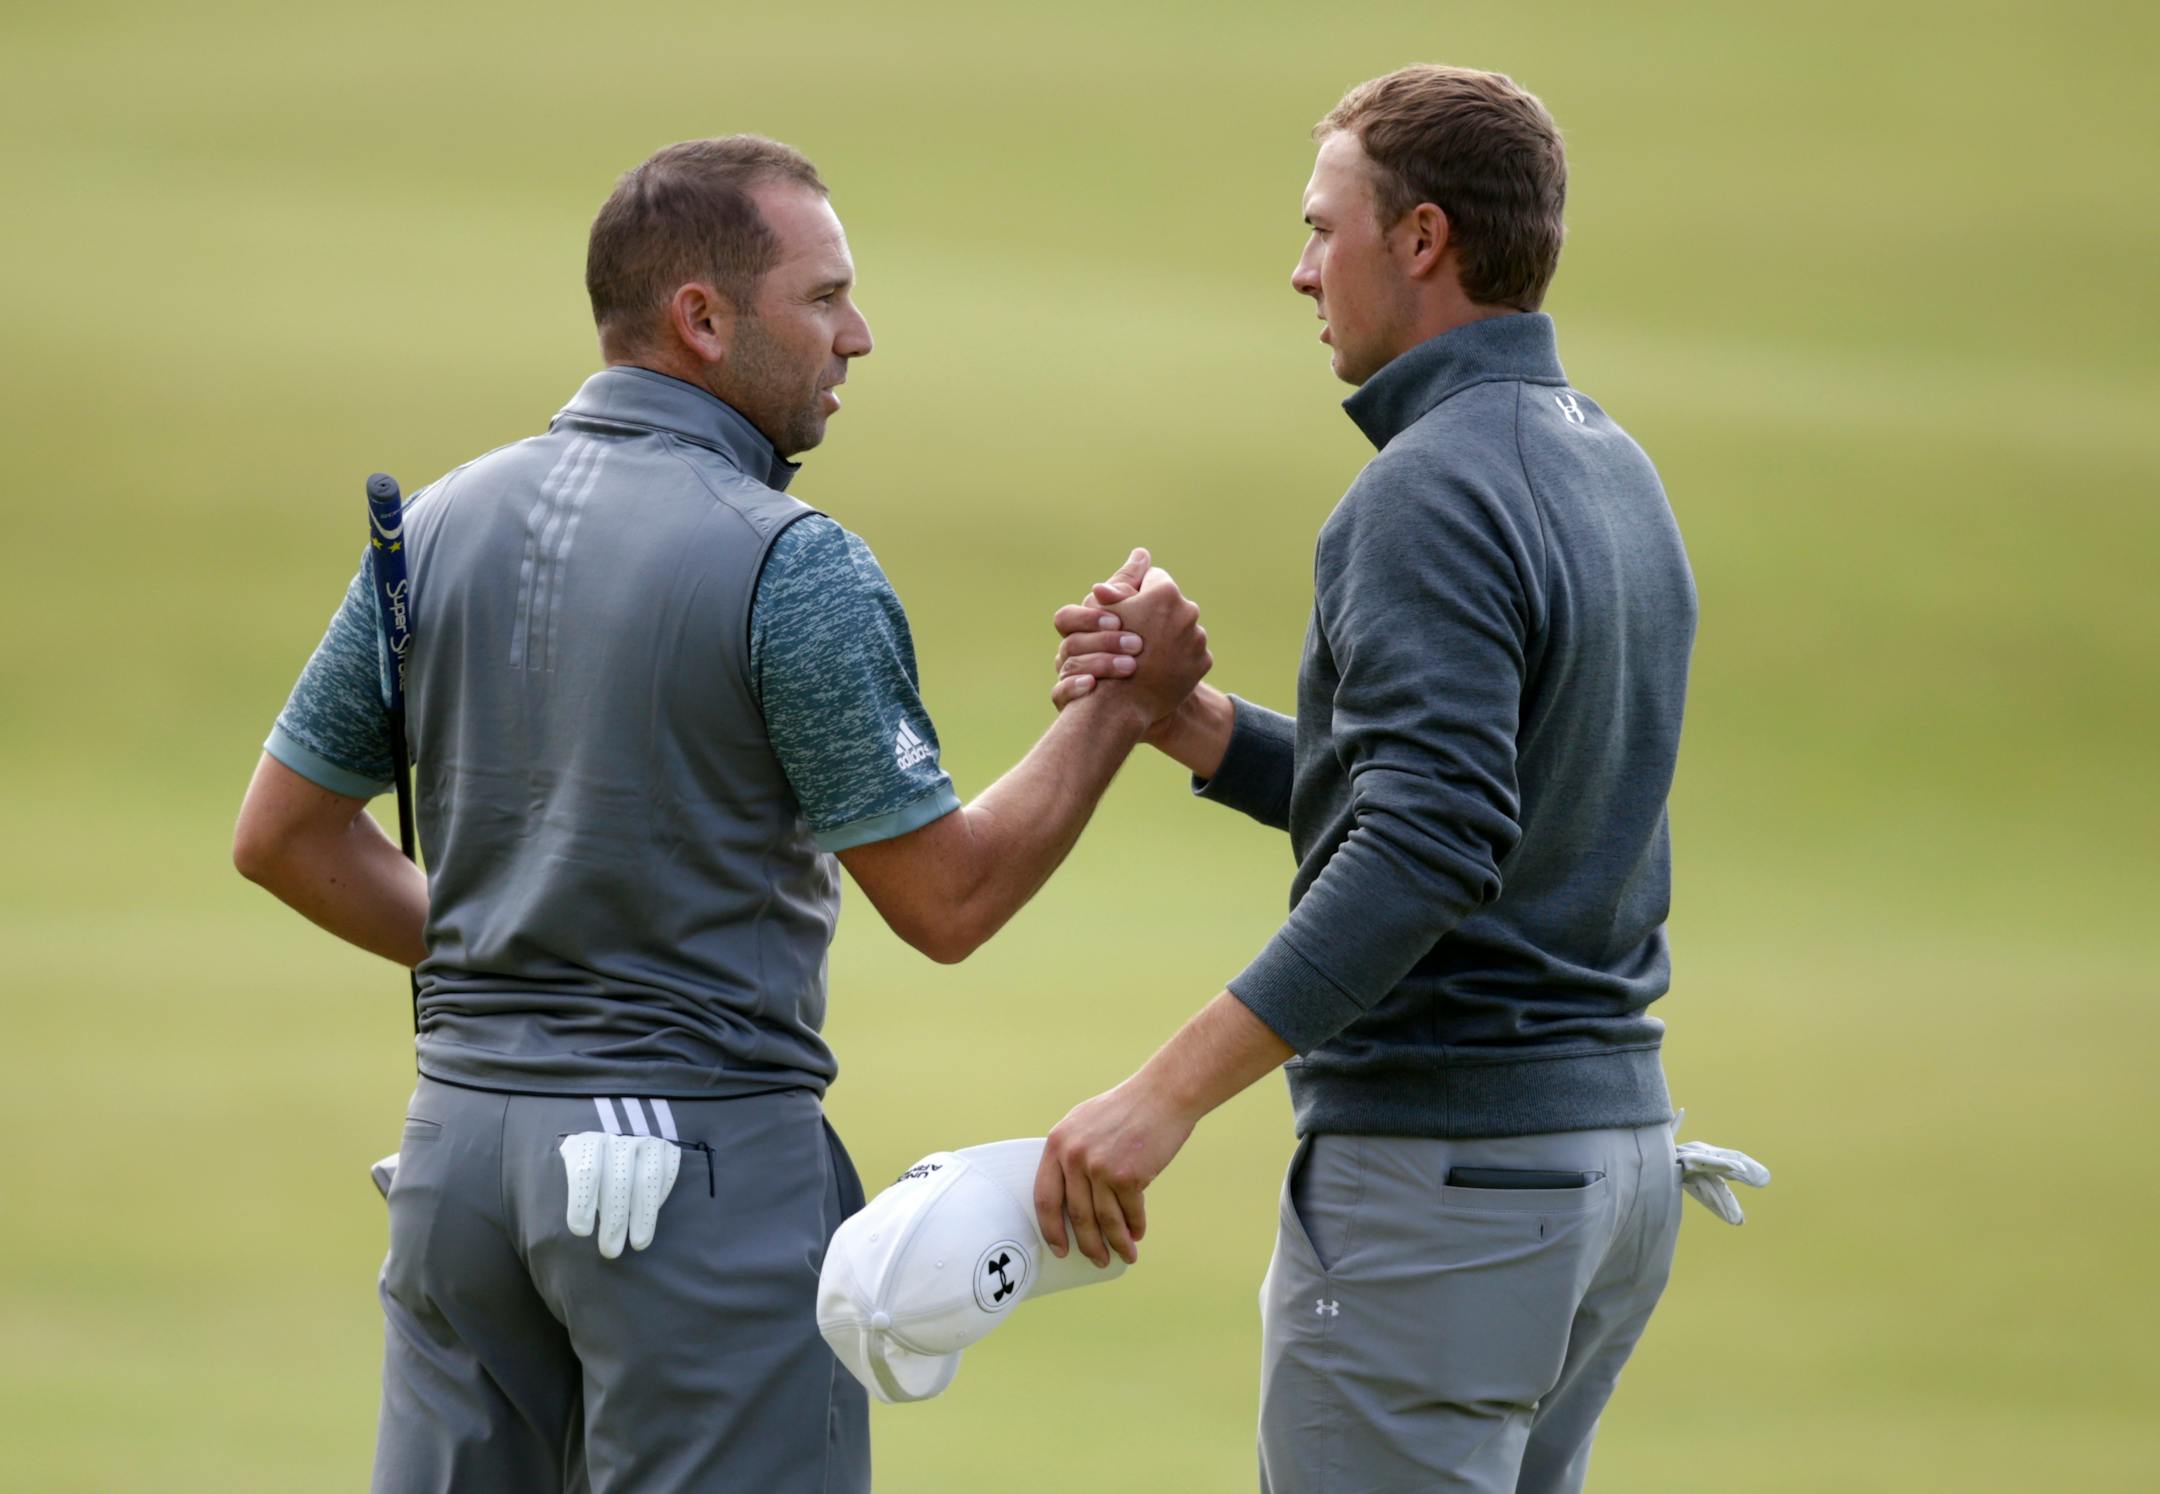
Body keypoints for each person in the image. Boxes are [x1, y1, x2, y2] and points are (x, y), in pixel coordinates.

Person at [231, 135, 1206, 1493]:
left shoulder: (437, 526)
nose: (857, 335)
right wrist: (1120, 705)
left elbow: (281, 835)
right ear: (702, 317)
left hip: (458, 1163)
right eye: (823, 299)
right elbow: (949, 899)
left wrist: (521, 963)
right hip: (693, 1183)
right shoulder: (790, 561)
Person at [1036, 66, 1698, 1492]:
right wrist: (1197, 723)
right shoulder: (1613, 467)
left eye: (1322, 226)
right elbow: (1482, 804)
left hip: (1453, 1184)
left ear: (1422, 241)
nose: (1298, 269)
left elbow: (1428, 844)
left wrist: (1164, 1092)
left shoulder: (1424, 489)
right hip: (1608, 1165)